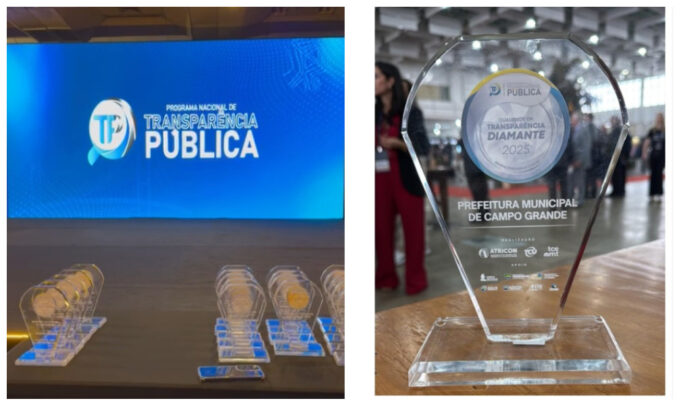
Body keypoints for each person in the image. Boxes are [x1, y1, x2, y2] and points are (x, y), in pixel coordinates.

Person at [375, 62, 429, 295]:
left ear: (390, 81)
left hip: (406, 177)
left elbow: (423, 146)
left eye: (375, 76)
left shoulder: (410, 113)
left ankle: (415, 281)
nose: (371, 82)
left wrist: (398, 143)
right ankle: (386, 278)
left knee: (413, 234)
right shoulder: (372, 113)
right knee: (381, 232)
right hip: (379, 179)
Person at [568, 112, 592, 206]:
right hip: (572, 161)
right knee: (571, 181)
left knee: (580, 181)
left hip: (580, 161)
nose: (571, 121)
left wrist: (580, 160)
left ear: (576, 120)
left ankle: (580, 200)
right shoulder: (572, 130)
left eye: (572, 119)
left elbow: (586, 147)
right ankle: (570, 200)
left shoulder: (583, 130)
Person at [642, 113, 665, 201]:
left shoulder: (665, 130)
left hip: (662, 156)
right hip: (653, 156)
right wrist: (644, 153)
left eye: (660, 118)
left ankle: (659, 193)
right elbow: (646, 143)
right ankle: (652, 193)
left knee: (659, 174)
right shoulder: (652, 131)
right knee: (653, 174)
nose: (659, 119)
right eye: (658, 118)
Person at [608, 116, 632, 197]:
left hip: (621, 157)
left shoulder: (622, 131)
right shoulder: (612, 132)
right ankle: (615, 191)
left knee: (620, 175)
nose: (612, 123)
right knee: (614, 175)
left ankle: (620, 191)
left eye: (613, 121)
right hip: (614, 158)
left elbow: (627, 144)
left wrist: (625, 155)